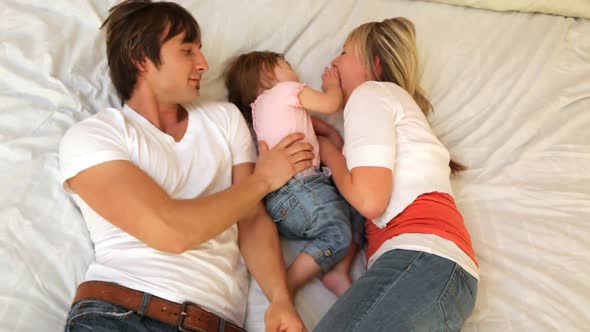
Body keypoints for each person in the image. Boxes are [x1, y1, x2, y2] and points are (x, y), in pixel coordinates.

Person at [59, 1, 310, 331]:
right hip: (122, 314)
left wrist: (280, 300)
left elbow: (251, 217)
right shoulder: (93, 136)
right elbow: (170, 232)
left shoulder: (224, 120)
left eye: (201, 50)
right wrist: (262, 181)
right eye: (187, 50)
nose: (204, 64)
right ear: (141, 59)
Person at [312, 17, 479, 331]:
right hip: (436, 272)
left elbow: (369, 199)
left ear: (373, 64)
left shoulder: (370, 94)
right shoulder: (389, 105)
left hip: (424, 261)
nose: (334, 61)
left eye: (344, 52)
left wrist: (328, 151)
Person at [224, 51, 364, 297]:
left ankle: (337, 272)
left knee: (356, 209)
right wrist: (332, 87)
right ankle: (286, 288)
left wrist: (331, 139)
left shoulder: (265, 112)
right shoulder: (284, 91)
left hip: (289, 201)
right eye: (287, 65)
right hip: (298, 189)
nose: (294, 72)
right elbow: (330, 104)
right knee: (337, 232)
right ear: (268, 72)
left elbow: (322, 130)